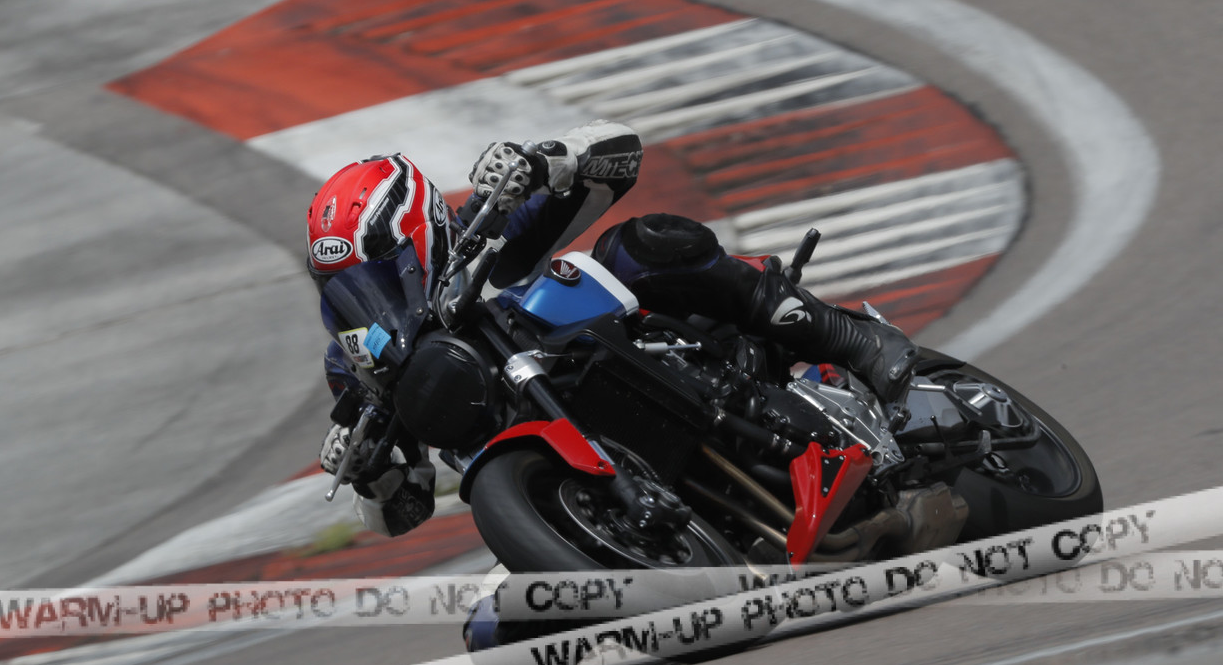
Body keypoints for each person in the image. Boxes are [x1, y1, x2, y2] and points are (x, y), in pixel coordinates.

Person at [308, 120, 917, 538]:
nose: (369, 297)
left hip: (641, 355)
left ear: (419, 228)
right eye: (347, 286)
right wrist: (372, 477)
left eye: (377, 270)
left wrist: (542, 163)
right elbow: (405, 513)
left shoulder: (486, 226)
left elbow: (620, 153)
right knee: (498, 635)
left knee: (636, 245)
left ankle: (849, 338)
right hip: (562, 483)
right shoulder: (360, 370)